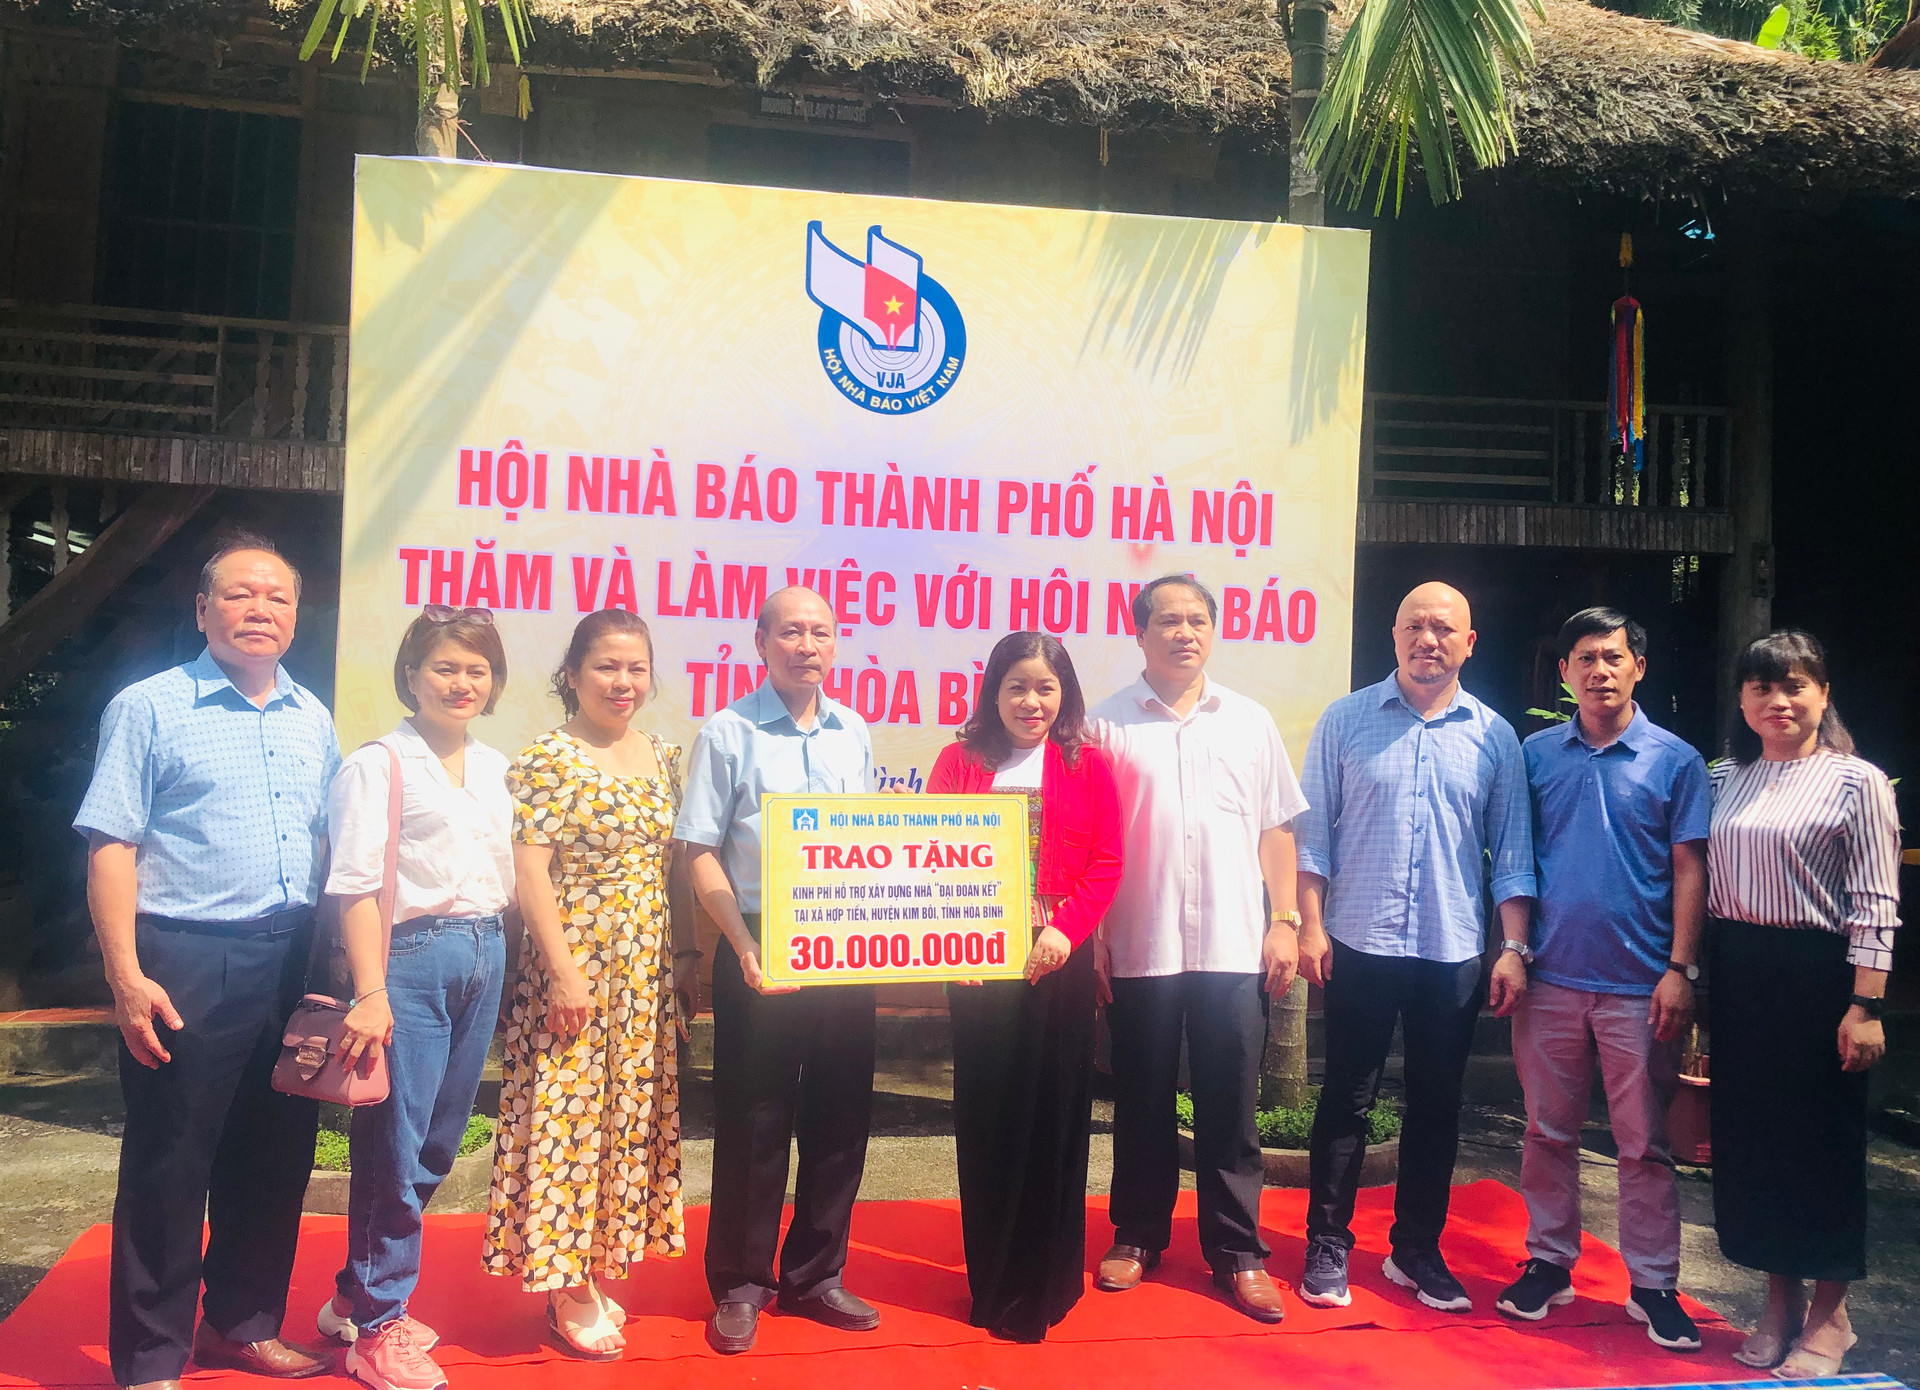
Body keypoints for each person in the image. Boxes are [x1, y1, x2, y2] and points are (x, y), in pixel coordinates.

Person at [74, 535, 339, 1390]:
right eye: (239, 594)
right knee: (170, 1159)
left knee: (277, 1152)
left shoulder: (313, 716)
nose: (260, 610)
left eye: (278, 598)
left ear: (296, 617)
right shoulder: (150, 707)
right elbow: (112, 841)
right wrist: (124, 973)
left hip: (293, 954)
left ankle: (243, 1322)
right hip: (187, 956)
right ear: (202, 610)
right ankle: (151, 1358)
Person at [1294, 581, 1535, 1314]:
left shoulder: (1495, 736)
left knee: (1437, 1103)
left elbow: (1515, 852)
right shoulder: (1345, 721)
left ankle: (1416, 1249)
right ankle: (1328, 1244)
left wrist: (1514, 947)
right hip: (1358, 942)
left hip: (1452, 948)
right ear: (1393, 636)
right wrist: (1309, 924)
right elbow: (1314, 840)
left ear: (1470, 642)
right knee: (1346, 1100)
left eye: (1444, 628)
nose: (1428, 639)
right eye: (1415, 627)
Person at [1087, 575, 1308, 1324]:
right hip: (1139, 940)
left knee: (1230, 1101)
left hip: (1232, 942)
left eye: (1198, 620)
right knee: (1141, 1097)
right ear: (1139, 634)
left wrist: (1285, 919)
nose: (1185, 632)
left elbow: (1277, 829)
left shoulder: (1249, 721)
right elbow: (1087, 842)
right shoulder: (1105, 725)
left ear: (1213, 631)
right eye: (1168, 621)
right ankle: (1138, 1235)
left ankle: (1238, 1252)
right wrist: (1092, 937)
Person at [483, 608, 694, 1359]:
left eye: (637, 668)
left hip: (644, 971)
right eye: (608, 666)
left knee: (623, 1120)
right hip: (575, 968)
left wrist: (680, 969)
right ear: (572, 673)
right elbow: (529, 871)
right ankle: (565, 1286)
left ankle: (595, 1265)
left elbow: (674, 869)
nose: (624, 682)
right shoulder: (549, 758)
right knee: (568, 1120)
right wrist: (566, 972)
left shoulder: (665, 756)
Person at [1497, 607, 1708, 1351]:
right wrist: (1515, 949)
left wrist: (1680, 969)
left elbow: (1690, 869)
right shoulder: (1536, 755)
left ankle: (1652, 1283)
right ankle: (1550, 1262)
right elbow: (1516, 859)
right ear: (1565, 672)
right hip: (1551, 978)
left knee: (1643, 1144)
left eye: (1613, 657)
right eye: (1584, 658)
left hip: (1639, 985)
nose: (1599, 670)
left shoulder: (1675, 760)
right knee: (1547, 1132)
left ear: (1637, 667)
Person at [675, 587, 879, 1355]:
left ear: (836, 643)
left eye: (820, 631)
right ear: (759, 641)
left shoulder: (853, 730)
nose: (806, 644)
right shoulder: (728, 732)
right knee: (755, 1116)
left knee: (840, 1114)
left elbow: (869, 844)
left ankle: (817, 1273)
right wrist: (739, 942)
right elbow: (697, 848)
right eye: (789, 630)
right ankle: (741, 1281)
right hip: (756, 935)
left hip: (844, 942)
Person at [315, 607, 514, 1390]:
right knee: (393, 1149)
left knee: (438, 1143)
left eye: (476, 669)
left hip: (485, 952)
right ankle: (379, 1328)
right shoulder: (379, 765)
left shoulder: (497, 767)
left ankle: (352, 1297)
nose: (461, 683)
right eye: (445, 668)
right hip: (409, 961)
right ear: (411, 675)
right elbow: (356, 886)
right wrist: (369, 990)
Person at [1706, 631, 1899, 1379]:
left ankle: (1830, 1315)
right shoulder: (1726, 777)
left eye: (1794, 686)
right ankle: (1776, 1302)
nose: (1778, 701)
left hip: (1821, 981)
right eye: (1761, 688)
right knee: (1754, 1147)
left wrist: (1866, 1002)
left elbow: (1877, 902)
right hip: (1742, 974)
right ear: (1743, 700)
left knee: (1820, 1148)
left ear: (1822, 692)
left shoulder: (1859, 783)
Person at [928, 632, 1125, 1343]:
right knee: (988, 1117)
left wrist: (1066, 932)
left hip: (1056, 965)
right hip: (977, 970)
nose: (1031, 702)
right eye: (1017, 687)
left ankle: (1046, 1283)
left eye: (1045, 688)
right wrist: (956, 941)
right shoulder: (959, 761)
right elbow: (933, 859)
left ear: (1063, 695)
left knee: (1054, 1115)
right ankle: (992, 1281)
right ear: (993, 692)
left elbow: (1106, 863)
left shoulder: (1086, 763)